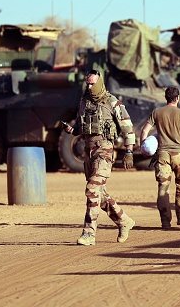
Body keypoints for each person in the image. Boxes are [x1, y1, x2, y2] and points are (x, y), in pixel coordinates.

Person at [63, 69, 136, 245]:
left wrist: (129, 152)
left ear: (100, 82)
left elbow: (128, 128)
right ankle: (124, 221)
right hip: (89, 152)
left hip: (104, 150)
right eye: (87, 83)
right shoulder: (84, 102)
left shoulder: (113, 103)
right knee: (99, 194)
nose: (89, 87)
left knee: (91, 190)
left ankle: (89, 233)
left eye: (92, 83)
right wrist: (72, 130)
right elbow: (82, 126)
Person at [140, 86, 180, 230]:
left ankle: (165, 222)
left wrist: (143, 147)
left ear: (166, 97)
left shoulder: (157, 112)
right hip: (179, 155)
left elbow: (144, 130)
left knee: (163, 189)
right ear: (177, 98)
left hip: (162, 156)